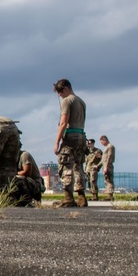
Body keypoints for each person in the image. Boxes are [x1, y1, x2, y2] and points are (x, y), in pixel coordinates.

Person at [53, 78, 88, 207]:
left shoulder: (67, 101)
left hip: (70, 136)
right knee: (78, 166)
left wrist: (57, 141)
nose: (59, 95)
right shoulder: (81, 101)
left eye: (60, 92)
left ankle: (68, 198)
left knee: (66, 165)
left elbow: (63, 123)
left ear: (66, 88)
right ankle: (81, 197)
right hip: (81, 135)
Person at [100, 135, 116, 200]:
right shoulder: (107, 147)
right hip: (105, 165)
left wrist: (106, 167)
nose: (102, 144)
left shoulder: (110, 147)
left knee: (109, 180)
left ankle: (110, 195)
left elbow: (109, 156)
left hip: (108, 165)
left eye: (102, 142)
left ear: (105, 140)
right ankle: (109, 194)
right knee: (106, 180)